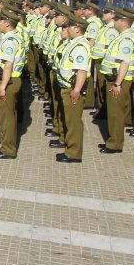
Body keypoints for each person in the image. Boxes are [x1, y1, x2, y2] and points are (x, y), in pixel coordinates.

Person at [99, 8, 134, 154]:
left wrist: (117, 83)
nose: (114, 22)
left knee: (116, 113)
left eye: (116, 20)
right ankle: (112, 140)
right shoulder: (121, 36)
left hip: (119, 80)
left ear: (124, 22)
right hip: (115, 79)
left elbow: (125, 62)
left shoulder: (127, 39)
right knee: (113, 112)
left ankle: (115, 144)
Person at [53, 16, 91, 163]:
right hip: (67, 87)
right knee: (69, 120)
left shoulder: (80, 46)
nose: (66, 28)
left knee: (73, 123)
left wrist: (76, 90)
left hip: (72, 90)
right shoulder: (74, 43)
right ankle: (70, 149)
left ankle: (74, 153)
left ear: (77, 28)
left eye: (69, 26)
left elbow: (81, 71)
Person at [0, 10, 26, 159]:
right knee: (8, 115)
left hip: (9, 81)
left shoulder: (10, 40)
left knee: (8, 117)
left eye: (0, 21)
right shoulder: (14, 37)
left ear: (6, 23)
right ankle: (6, 143)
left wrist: (3, 86)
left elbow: (8, 65)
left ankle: (8, 149)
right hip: (11, 80)